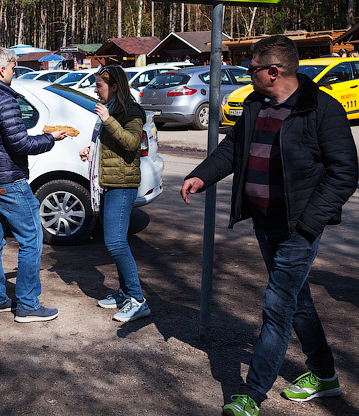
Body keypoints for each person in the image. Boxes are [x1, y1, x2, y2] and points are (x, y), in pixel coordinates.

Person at [180, 36, 358, 416]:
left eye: (253, 68)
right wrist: (201, 176)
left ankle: (251, 394)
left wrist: (311, 223)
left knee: (276, 306)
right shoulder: (255, 103)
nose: (248, 73)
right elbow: (233, 149)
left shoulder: (321, 110)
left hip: (299, 226)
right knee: (297, 300)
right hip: (264, 222)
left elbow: (345, 172)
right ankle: (325, 375)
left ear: (273, 72)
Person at [0, 46, 70, 323]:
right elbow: (21, 143)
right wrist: (52, 138)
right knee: (31, 239)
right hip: (8, 181)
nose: (15, 71)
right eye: (14, 66)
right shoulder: (4, 99)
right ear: (3, 68)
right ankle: (28, 305)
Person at [79, 65, 150, 323]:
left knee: (116, 243)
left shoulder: (131, 111)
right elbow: (109, 146)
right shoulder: (111, 111)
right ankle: (124, 293)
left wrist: (108, 120)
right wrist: (92, 153)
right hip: (108, 181)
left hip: (123, 185)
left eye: (99, 85)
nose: (95, 90)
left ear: (116, 87)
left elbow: (132, 142)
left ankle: (138, 300)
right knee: (115, 242)